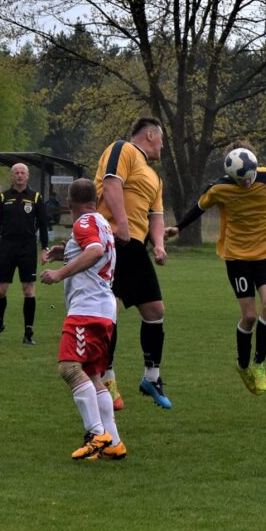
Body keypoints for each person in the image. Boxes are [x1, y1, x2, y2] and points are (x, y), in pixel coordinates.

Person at [166, 143, 266, 395]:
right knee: (249, 316)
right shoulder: (219, 187)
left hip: (265, 253)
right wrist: (178, 227)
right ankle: (242, 365)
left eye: (249, 178)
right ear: (231, 174)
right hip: (237, 257)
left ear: (254, 166)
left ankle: (259, 364)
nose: (246, 184)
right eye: (241, 181)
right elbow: (199, 207)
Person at [39, 178, 126, 461]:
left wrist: (59, 274)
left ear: (68, 203)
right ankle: (113, 441)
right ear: (97, 200)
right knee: (92, 375)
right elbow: (93, 249)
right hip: (103, 311)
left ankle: (95, 434)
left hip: (86, 311)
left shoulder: (83, 223)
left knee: (69, 368)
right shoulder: (102, 223)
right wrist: (62, 253)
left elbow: (94, 252)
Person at [93, 117, 171, 410]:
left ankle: (151, 376)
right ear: (150, 134)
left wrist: (160, 244)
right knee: (109, 309)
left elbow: (157, 216)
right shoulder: (122, 149)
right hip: (111, 240)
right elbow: (112, 183)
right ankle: (107, 377)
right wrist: (122, 224)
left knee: (154, 310)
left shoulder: (155, 177)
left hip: (135, 246)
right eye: (161, 139)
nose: (163, 146)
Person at [0, 163, 49, 345]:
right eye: (16, 173)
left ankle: (28, 332)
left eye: (22, 173)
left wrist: (44, 249)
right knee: (0, 291)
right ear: (12, 176)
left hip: (27, 248)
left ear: (27, 176)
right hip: (6, 247)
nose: (20, 176)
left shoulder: (36, 197)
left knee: (28, 290)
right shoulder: (2, 197)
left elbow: (44, 225)